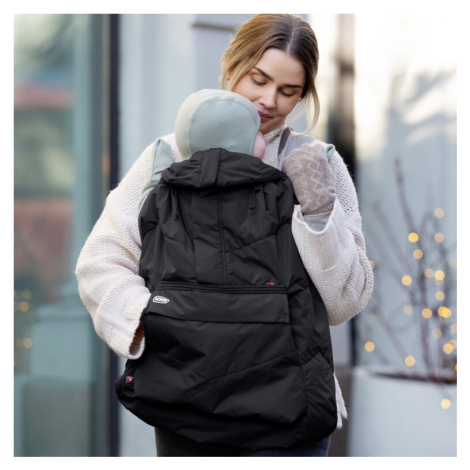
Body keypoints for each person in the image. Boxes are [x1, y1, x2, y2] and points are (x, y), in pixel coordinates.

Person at [75, 14, 374, 457]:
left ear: (303, 94)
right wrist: (160, 323)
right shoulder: (167, 156)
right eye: (259, 79)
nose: (268, 101)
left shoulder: (316, 164)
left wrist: (318, 212)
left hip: (290, 411)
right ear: (232, 66)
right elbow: (101, 260)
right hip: (187, 404)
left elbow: (347, 299)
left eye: (288, 90)